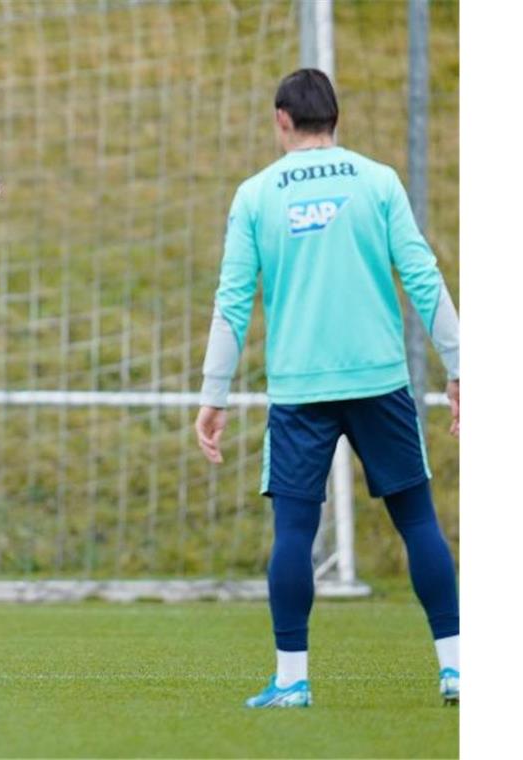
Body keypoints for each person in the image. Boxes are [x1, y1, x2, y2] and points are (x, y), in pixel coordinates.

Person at [194, 68, 460, 708]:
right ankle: (457, 669)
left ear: (281, 120)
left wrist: (214, 395)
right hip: (380, 380)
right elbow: (423, 277)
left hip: (300, 389)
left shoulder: (256, 194)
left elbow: (232, 304)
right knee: (418, 521)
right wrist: (460, 366)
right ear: (336, 120)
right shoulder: (378, 181)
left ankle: (292, 681)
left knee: (292, 533)